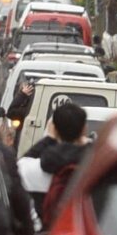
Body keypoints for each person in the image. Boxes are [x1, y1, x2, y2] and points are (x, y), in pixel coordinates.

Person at [22, 97, 90, 227]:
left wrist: (49, 138)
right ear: (84, 129)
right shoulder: (95, 167)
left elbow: (21, 163)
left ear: (53, 129)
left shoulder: (31, 169)